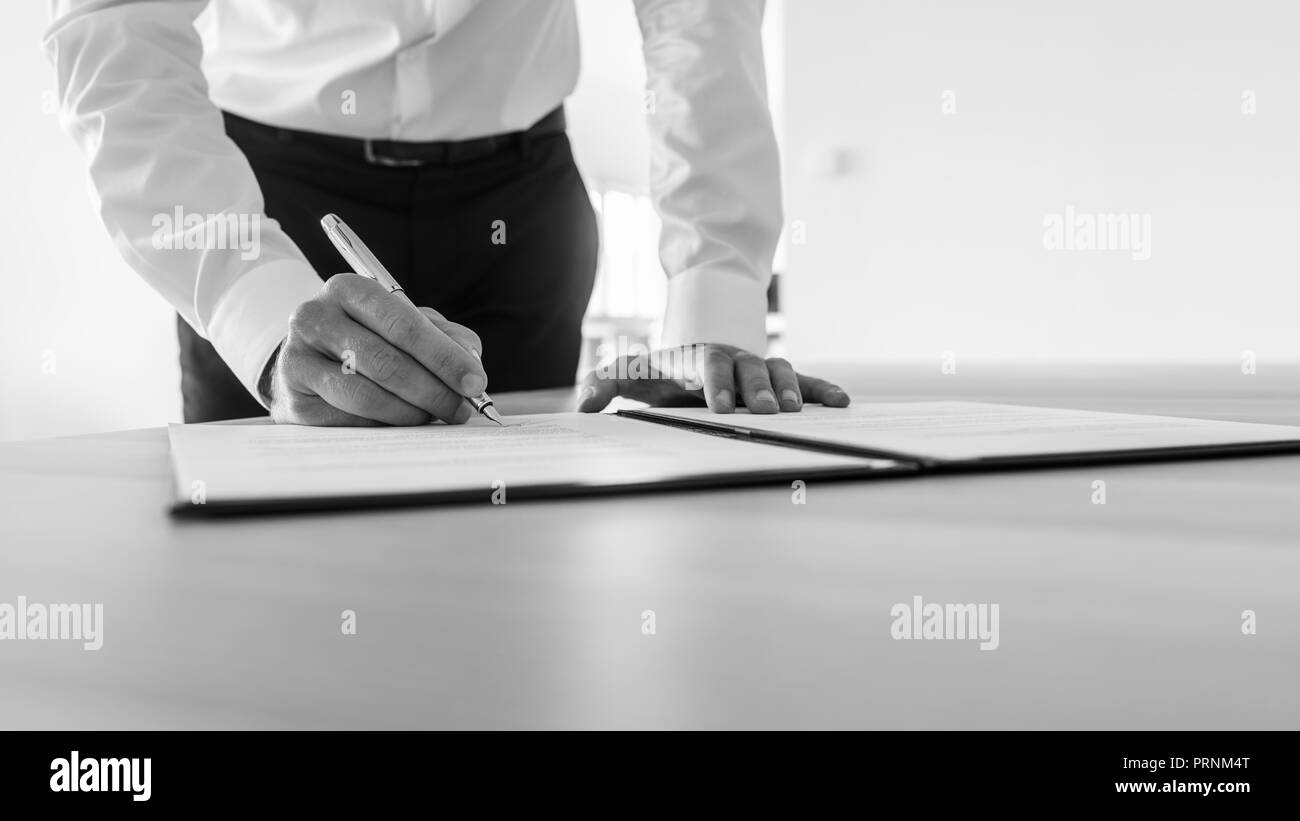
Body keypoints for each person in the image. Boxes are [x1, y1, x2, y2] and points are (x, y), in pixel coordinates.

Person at [46, 0, 850, 426]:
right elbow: (113, 26)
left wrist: (712, 293)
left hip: (518, 203)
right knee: (269, 572)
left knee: (512, 561)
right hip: (268, 203)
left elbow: (696, 12)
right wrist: (249, 307)